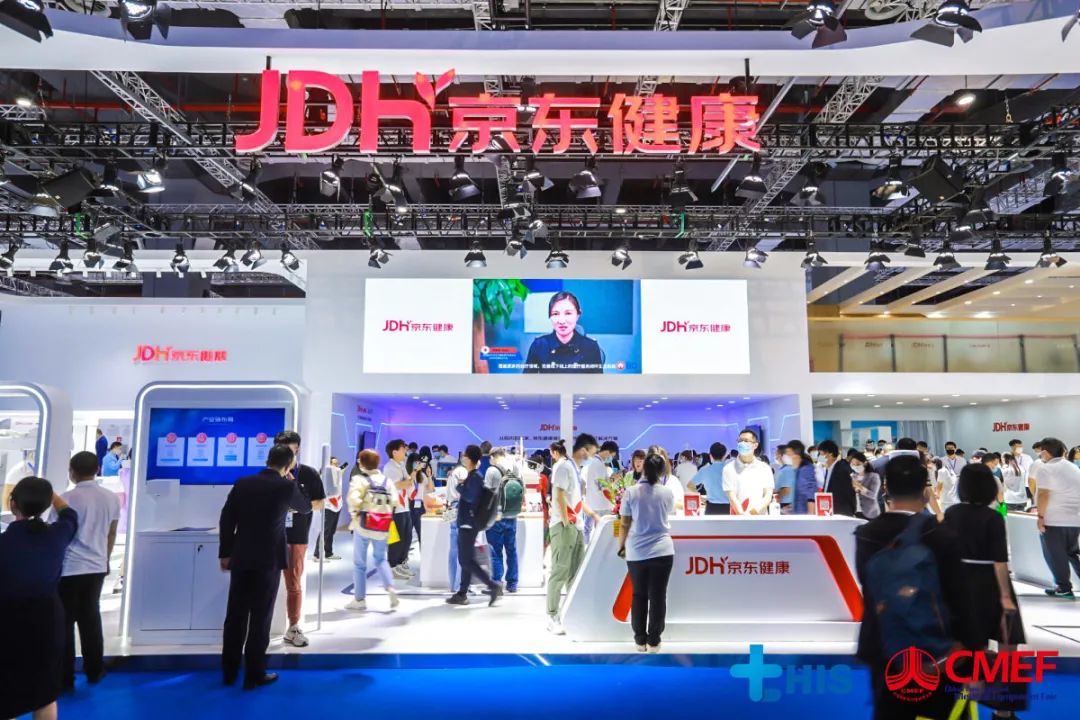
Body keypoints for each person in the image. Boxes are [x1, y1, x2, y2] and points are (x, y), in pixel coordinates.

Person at [855, 455, 969, 720]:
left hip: (884, 644)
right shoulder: (941, 534)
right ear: (925, 490)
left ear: (886, 488)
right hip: (937, 650)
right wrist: (967, 644)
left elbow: (869, 587)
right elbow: (960, 595)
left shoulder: (866, 534)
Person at [219, 444, 308, 690]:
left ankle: (229, 672)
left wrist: (225, 552)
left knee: (235, 615)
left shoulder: (243, 483)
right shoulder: (286, 486)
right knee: (261, 617)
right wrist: (293, 481)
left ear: (268, 460)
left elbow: (227, 518)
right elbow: (305, 506)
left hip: (241, 556)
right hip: (269, 559)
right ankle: (254, 674)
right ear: (288, 465)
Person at [0, 478, 77, 720]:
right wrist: (50, 495)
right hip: (48, 622)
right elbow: (69, 514)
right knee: (45, 693)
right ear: (46, 505)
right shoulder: (58, 535)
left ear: (12, 504)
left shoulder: (4, 542)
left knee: (5, 691)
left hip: (7, 621)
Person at [945, 464, 1025, 652]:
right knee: (1006, 632)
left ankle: (975, 669)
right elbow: (1000, 559)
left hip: (960, 578)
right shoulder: (993, 517)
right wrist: (1005, 595)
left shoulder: (952, 513)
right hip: (989, 578)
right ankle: (1004, 669)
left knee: (971, 634)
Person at [58, 451, 120, 691]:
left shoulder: (66, 499)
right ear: (97, 470)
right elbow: (111, 533)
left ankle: (65, 676)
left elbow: (58, 534)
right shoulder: (111, 498)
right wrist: (105, 558)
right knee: (91, 619)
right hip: (96, 566)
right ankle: (95, 670)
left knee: (65, 622)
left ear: (72, 472)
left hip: (69, 567)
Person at [618, 452, 675, 653]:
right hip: (662, 550)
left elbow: (624, 523)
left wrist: (621, 545)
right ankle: (654, 641)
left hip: (636, 551)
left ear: (643, 468)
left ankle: (639, 640)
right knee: (658, 596)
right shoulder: (666, 492)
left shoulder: (631, 492)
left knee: (639, 595)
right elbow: (669, 512)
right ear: (661, 470)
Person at [274, 430, 326, 648]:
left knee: (294, 583)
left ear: (297, 450)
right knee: (262, 582)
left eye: (290, 450)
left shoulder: (308, 474)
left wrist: (299, 507)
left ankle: (293, 626)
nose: (286, 454)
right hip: (270, 535)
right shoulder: (269, 474)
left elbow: (320, 502)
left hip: (296, 535)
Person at [446, 444, 501, 607]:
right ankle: (462, 593)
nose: (463, 457)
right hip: (467, 523)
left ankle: (492, 586)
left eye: (465, 455)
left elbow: (470, 497)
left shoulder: (475, 477)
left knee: (466, 560)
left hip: (468, 524)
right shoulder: (473, 476)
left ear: (469, 459)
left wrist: (459, 485)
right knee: (466, 559)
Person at [546, 438, 591, 634]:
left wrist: (590, 515)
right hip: (565, 525)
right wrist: (566, 520)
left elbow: (575, 497)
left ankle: (569, 613)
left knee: (575, 573)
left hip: (576, 525)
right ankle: (552, 615)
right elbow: (559, 494)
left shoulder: (572, 467)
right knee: (560, 570)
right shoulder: (562, 466)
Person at [345, 449, 399, 612]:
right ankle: (390, 587)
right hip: (382, 525)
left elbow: (353, 500)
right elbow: (395, 501)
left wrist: (354, 514)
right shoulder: (387, 481)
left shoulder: (359, 480)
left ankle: (359, 599)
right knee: (381, 559)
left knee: (359, 563)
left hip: (363, 525)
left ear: (361, 463)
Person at [1034, 437, 1080, 599]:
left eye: (1041, 452)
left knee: (1055, 555)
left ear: (1046, 452)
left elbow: (1043, 494)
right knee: (1072, 553)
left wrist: (1040, 517)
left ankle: (1063, 587)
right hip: (1074, 519)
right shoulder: (1073, 467)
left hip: (1053, 520)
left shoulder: (1046, 469)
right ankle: (1063, 585)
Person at [523, 291, 604, 374]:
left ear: (578, 315)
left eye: (568, 313)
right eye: (555, 314)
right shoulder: (539, 345)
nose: (561, 321)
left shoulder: (591, 347)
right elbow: (527, 380)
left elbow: (597, 381)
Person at [487, 450, 525, 593]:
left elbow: (487, 494)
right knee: (511, 550)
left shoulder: (492, 470)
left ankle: (497, 584)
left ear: (492, 457)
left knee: (495, 550)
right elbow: (522, 489)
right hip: (512, 514)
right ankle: (512, 583)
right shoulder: (515, 467)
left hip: (496, 516)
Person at [383, 439, 415, 580]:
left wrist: (409, 480)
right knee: (396, 540)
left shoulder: (401, 465)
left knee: (407, 538)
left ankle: (401, 563)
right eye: (403, 449)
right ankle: (392, 566)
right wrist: (409, 481)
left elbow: (409, 483)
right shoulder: (389, 467)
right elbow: (400, 485)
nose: (405, 452)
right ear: (394, 452)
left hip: (405, 506)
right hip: (395, 508)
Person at [722, 429, 774, 515]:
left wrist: (754, 512)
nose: (742, 443)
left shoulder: (765, 468)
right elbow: (731, 496)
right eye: (740, 441)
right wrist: (742, 516)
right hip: (738, 518)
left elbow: (768, 495)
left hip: (760, 518)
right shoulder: (728, 468)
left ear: (755, 445)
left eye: (746, 441)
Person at [583, 440, 617, 543]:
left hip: (597, 503)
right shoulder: (598, 464)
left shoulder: (596, 462)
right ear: (607, 452)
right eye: (612, 456)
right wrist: (613, 479)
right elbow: (603, 485)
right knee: (602, 534)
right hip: (601, 505)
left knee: (597, 532)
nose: (611, 459)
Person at [314, 456, 344, 561]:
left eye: (337, 464)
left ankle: (328, 552)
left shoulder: (338, 474)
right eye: (333, 463)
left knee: (331, 531)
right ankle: (317, 554)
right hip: (328, 506)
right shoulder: (323, 476)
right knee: (325, 530)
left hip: (337, 505)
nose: (336, 466)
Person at [817, 440, 857, 517]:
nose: (819, 457)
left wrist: (850, 512)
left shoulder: (843, 468)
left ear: (830, 454)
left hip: (842, 512)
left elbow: (850, 492)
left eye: (821, 454)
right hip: (829, 511)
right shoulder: (828, 469)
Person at [407, 447, 434, 547]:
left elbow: (431, 489)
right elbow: (409, 482)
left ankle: (424, 555)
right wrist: (415, 470)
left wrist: (429, 476)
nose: (418, 464)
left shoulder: (422, 475)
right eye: (416, 462)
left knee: (422, 535)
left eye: (419, 462)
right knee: (407, 536)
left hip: (420, 507)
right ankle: (404, 555)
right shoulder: (406, 474)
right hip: (409, 505)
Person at [692, 443, 728, 514]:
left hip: (711, 507)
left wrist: (701, 498)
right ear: (725, 455)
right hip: (729, 507)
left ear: (710, 455)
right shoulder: (730, 469)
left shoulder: (705, 470)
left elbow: (690, 485)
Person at [785, 440, 817, 515]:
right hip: (796, 513)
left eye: (788, 453)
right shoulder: (795, 470)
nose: (787, 455)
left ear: (795, 453)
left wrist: (811, 515)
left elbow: (810, 493)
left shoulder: (807, 468)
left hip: (805, 514)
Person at [848, 451, 881, 520]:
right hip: (855, 511)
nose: (855, 466)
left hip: (870, 512)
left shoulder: (874, 476)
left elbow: (873, 495)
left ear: (865, 463)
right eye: (853, 464)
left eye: (858, 464)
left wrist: (859, 486)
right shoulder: (853, 476)